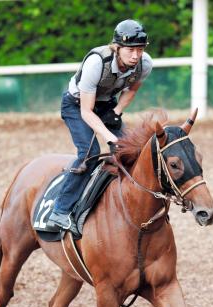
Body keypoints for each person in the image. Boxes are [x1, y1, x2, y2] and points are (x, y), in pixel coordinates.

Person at [47, 19, 153, 232]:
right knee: (89, 153)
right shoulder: (97, 63)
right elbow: (86, 111)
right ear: (117, 47)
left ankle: (126, 204)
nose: (135, 55)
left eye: (139, 49)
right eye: (130, 50)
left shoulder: (145, 63)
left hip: (107, 105)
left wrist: (116, 112)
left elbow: (131, 89)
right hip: (77, 105)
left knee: (131, 152)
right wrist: (109, 136)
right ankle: (59, 211)